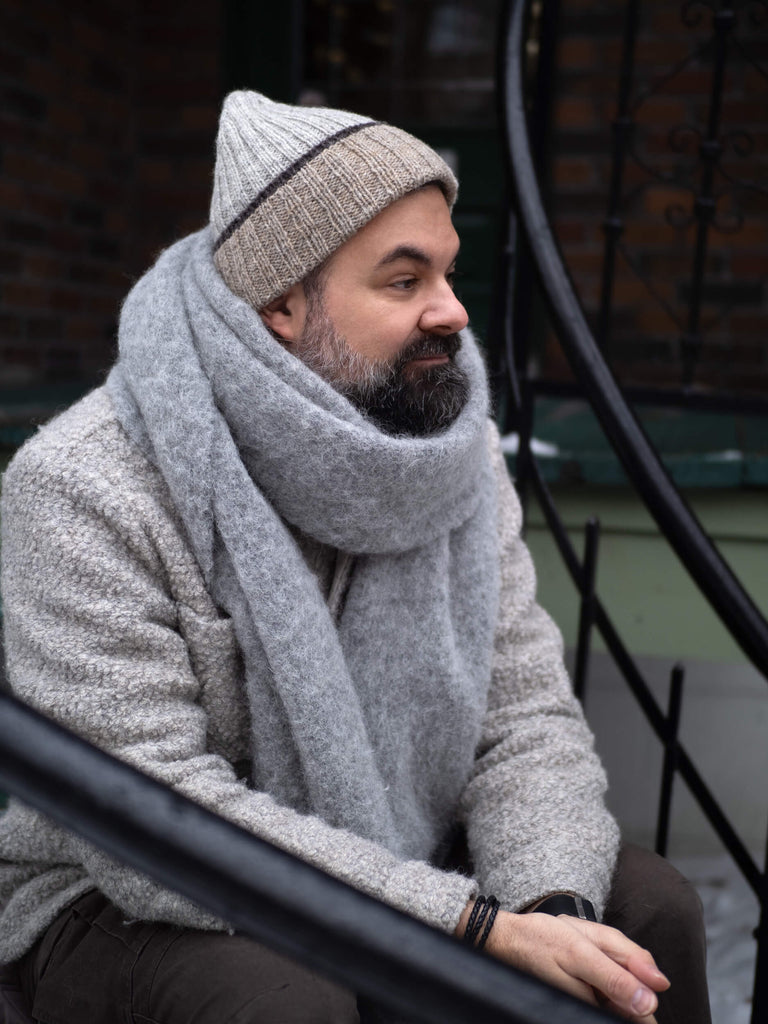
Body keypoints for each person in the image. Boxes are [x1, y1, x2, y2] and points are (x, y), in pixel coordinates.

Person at [0, 91, 709, 1024]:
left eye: (447, 273)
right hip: (129, 896)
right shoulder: (87, 483)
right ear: (281, 304)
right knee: (284, 1002)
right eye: (404, 281)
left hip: (408, 853)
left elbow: (523, 720)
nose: (452, 312)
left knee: (647, 917)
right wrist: (469, 930)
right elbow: (150, 816)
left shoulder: (451, 456)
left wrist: (552, 911)